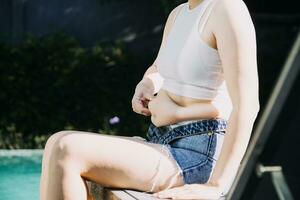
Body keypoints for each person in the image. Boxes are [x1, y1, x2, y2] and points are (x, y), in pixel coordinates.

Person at [40, 0, 260, 199]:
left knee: (66, 149)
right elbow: (159, 67)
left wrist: (216, 185)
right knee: (55, 142)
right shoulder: (178, 14)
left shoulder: (227, 9)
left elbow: (247, 105)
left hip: (197, 156)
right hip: (161, 140)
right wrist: (147, 84)